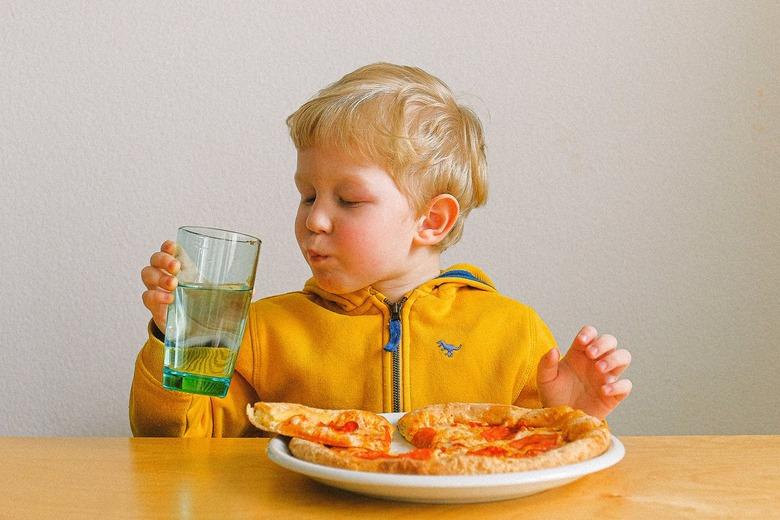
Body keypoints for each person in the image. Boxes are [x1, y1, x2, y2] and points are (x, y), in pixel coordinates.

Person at [131, 63, 632, 437]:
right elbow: (176, 445)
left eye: (348, 199)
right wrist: (176, 336)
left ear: (430, 220)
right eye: (307, 195)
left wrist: (571, 418)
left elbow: (538, 462)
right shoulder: (264, 333)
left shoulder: (513, 334)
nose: (314, 218)